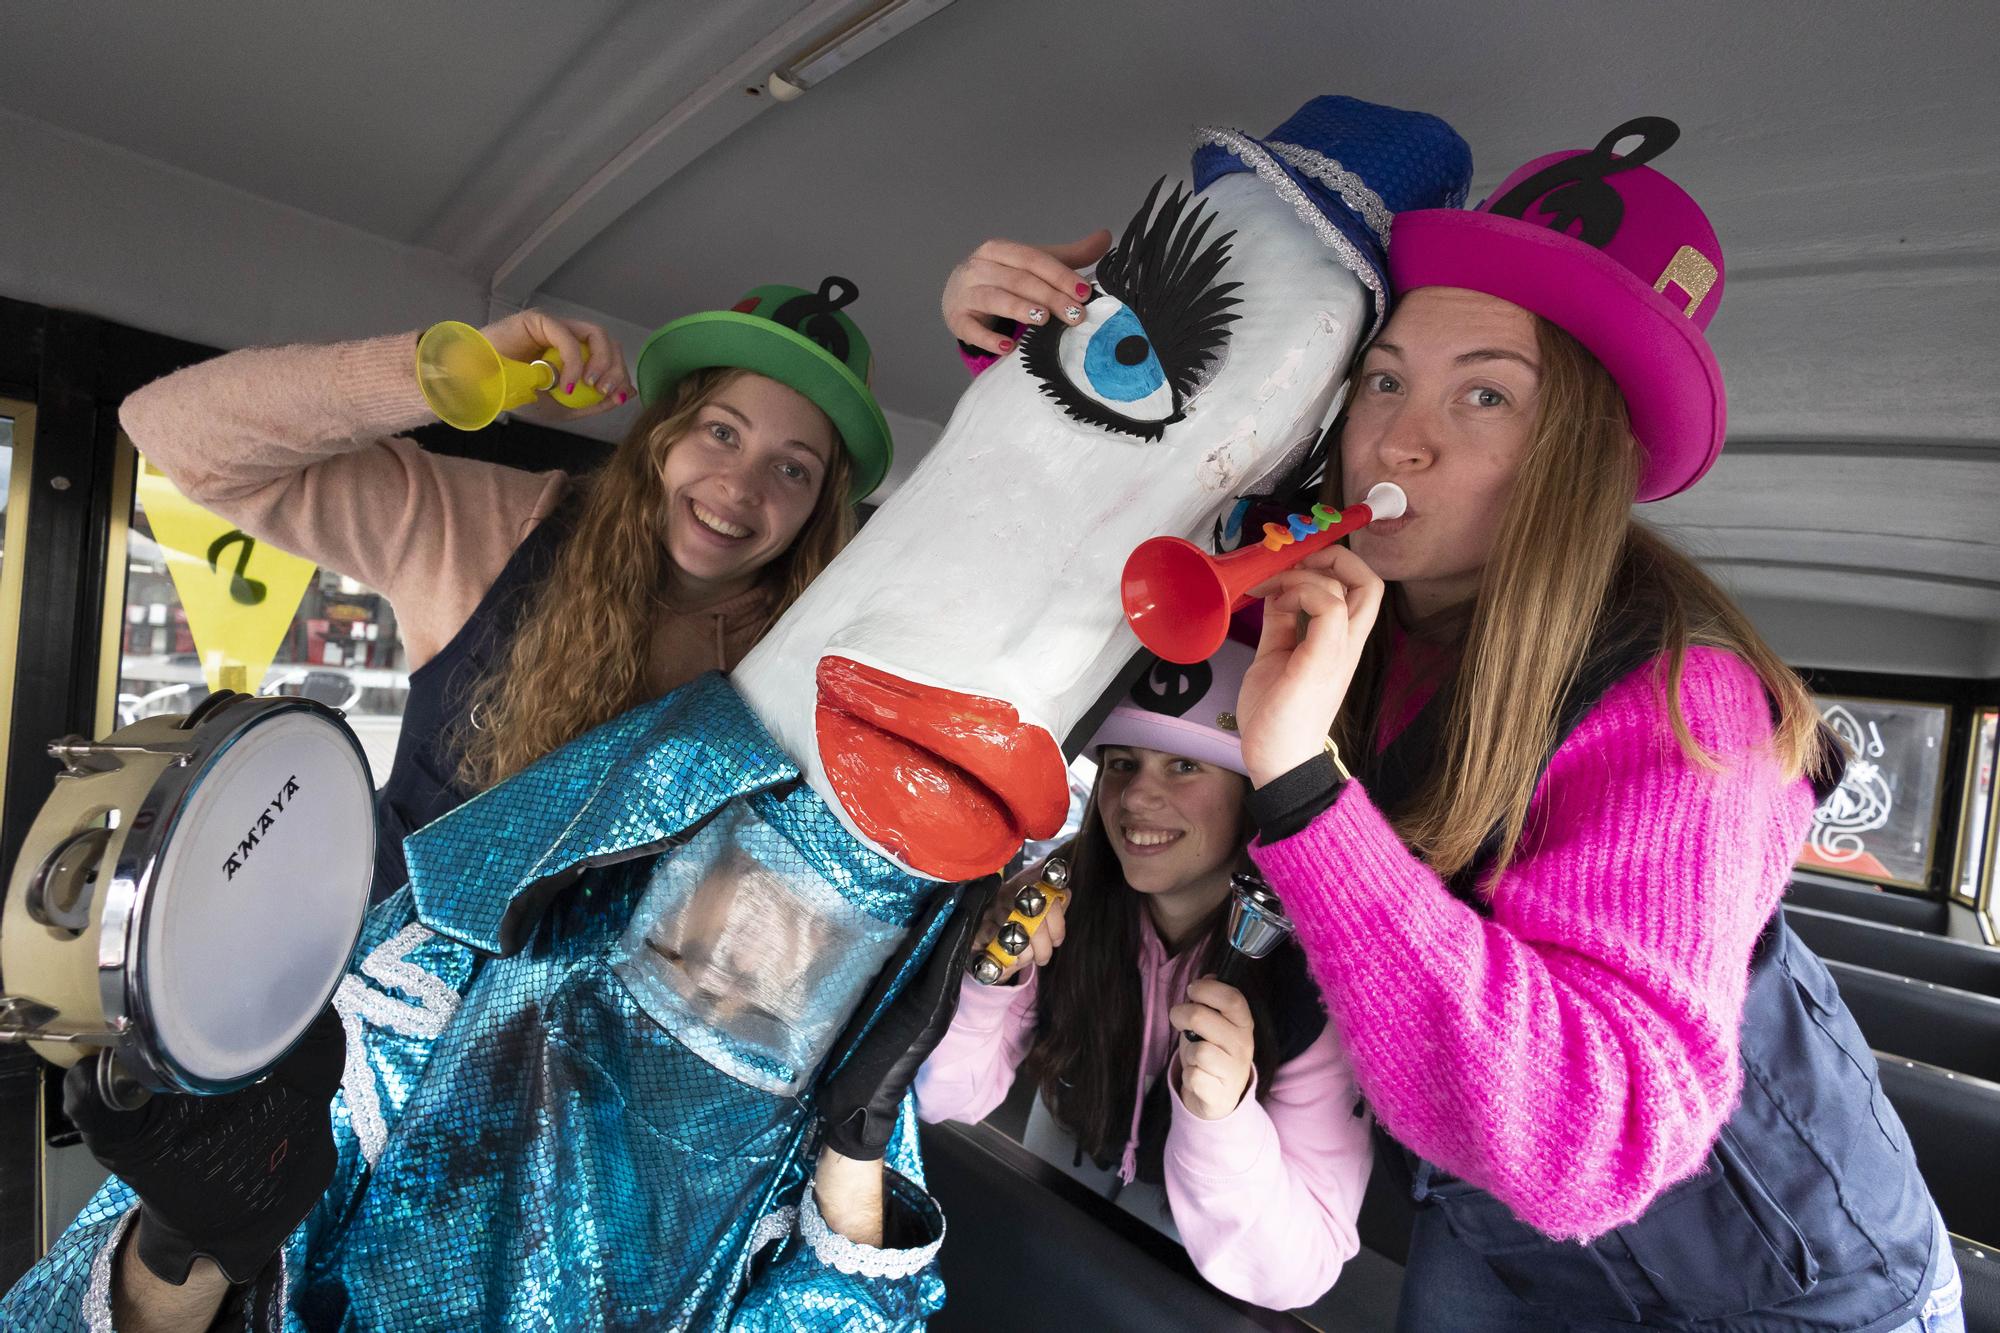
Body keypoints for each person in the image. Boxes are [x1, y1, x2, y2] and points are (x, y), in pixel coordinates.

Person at [1219, 118, 1962, 1330]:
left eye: (1485, 394)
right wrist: (1026, 356)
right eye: (1386, 376)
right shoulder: (1372, 623)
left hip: (1788, 1290)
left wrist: (1301, 787)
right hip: (1490, 1216)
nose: (1396, 439)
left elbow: (1593, 1136)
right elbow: (1141, 585)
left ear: (1585, 452)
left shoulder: (1688, 705)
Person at [120, 280, 890, 899]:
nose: (740, 485)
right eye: (722, 431)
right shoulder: (489, 528)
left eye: (793, 468)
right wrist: (445, 370)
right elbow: (171, 430)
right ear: (664, 435)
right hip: (356, 1026)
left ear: (818, 509)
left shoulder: (817, 669)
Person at [915, 641, 1369, 1311]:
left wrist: (1221, 1117)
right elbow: (940, 1100)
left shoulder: (1319, 981)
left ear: (1252, 792)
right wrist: (987, 985)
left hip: (1189, 1285)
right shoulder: (1057, 899)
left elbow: (1294, 1273)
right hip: (1043, 1220)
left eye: (1185, 765)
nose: (1136, 795)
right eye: (1121, 763)